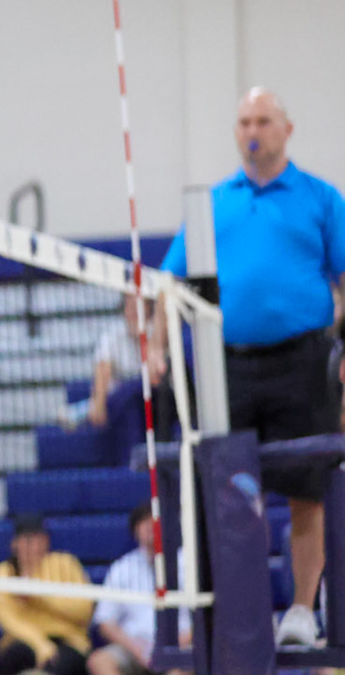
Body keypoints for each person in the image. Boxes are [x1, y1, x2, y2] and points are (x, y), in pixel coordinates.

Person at [160, 88, 345, 650]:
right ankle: (240, 613)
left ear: (287, 128)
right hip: (227, 367)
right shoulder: (213, 203)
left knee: (307, 489)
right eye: (243, 121)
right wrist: (152, 340)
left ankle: (300, 609)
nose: (252, 129)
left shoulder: (320, 198)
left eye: (262, 119)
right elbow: (168, 280)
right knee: (232, 491)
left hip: (303, 361)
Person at [0, 515, 92, 675]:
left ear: (47, 541)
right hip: (21, 641)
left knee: (60, 663)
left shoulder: (66, 563)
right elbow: (7, 619)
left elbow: (84, 611)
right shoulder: (2, 572)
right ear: (15, 544)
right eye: (27, 539)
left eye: (39, 538)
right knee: (12, 657)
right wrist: (39, 644)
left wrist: (42, 596)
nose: (33, 545)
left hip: (67, 640)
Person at [83, 295, 173, 468]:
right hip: (123, 403)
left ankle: (141, 466)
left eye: (136, 306)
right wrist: (98, 401)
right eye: (128, 306)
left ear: (148, 308)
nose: (131, 311)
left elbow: (156, 377)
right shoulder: (112, 335)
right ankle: (133, 468)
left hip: (157, 399)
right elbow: (103, 369)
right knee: (129, 399)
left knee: (139, 389)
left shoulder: (158, 332)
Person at [90, 510, 159, 675]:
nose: (150, 527)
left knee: (181, 669)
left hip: (179, 648)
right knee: (99, 661)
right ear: (135, 530)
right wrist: (136, 648)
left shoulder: (187, 564)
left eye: (155, 520)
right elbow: (105, 622)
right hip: (133, 647)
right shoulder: (122, 568)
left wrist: (177, 645)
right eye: (144, 522)